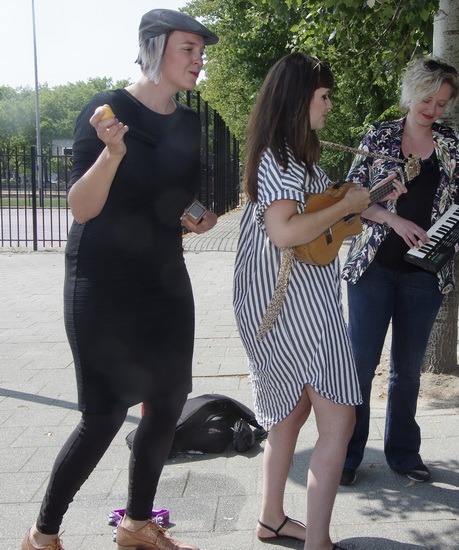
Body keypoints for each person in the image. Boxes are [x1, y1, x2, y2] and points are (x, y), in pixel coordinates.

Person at [21, 9, 219, 550]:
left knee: (169, 400)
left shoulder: (189, 121)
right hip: (103, 283)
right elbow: (81, 208)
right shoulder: (108, 110)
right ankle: (43, 533)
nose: (199, 59)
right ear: (154, 47)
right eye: (188, 48)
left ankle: (136, 525)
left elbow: (183, 193)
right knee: (104, 415)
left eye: (202, 51)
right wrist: (113, 152)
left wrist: (201, 214)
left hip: (165, 278)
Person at [233, 53, 404, 550]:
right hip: (292, 307)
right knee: (341, 419)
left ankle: (271, 520)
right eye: (324, 96)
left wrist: (369, 207)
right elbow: (285, 232)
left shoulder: (289, 156)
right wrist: (352, 205)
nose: (330, 105)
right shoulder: (283, 160)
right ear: (298, 98)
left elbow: (322, 226)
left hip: (289, 302)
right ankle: (319, 543)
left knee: (290, 412)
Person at [339, 57, 459, 487]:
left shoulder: (451, 143)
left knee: (408, 370)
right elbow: (349, 199)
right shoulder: (380, 135)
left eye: (442, 103)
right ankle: (347, 454)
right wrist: (391, 218)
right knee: (361, 366)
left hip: (425, 273)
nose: (433, 109)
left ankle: (404, 454)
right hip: (374, 269)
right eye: (428, 99)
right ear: (412, 93)